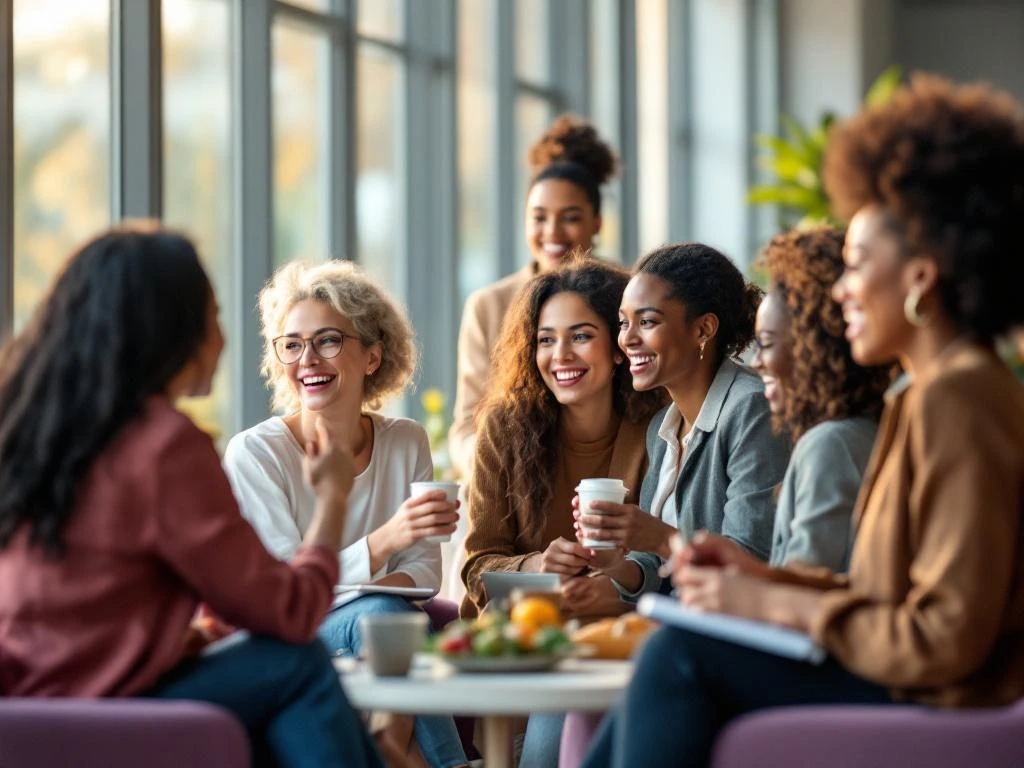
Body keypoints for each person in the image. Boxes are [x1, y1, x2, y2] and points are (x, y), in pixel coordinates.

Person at [581, 74, 1024, 768]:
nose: (842, 290)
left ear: (919, 280)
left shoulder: (960, 398)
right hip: (905, 676)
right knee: (671, 655)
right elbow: (880, 594)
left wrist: (778, 607)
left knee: (676, 655)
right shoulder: (925, 393)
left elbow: (943, 639)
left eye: (857, 265)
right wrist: (762, 583)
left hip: (946, 697)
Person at [0, 224, 382, 767]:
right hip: (108, 713)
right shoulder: (164, 444)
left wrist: (176, 642)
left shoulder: (31, 427)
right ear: (170, 330)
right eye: (214, 317)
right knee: (298, 659)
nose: (223, 340)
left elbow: (71, 602)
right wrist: (332, 499)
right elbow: (291, 612)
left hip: (27, 712)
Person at [223, 260, 465, 768]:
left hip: (389, 626)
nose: (307, 358)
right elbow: (290, 590)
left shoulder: (406, 440)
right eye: (291, 344)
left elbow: (424, 576)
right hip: (293, 638)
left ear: (372, 355)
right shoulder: (256, 453)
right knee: (386, 618)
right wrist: (385, 543)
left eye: (328, 340)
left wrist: (358, 580)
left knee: (391, 620)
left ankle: (396, 748)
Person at [578, 243, 791, 600]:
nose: (628, 339)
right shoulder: (662, 427)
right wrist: (612, 560)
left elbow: (752, 559)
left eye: (647, 322)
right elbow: (655, 570)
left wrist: (661, 536)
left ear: (704, 329)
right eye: (623, 323)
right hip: (677, 622)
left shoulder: (751, 410)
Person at [460, 260, 666, 620]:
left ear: (618, 347)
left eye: (582, 336)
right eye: (546, 340)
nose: (561, 355)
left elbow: (664, 566)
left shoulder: (658, 427)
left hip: (618, 628)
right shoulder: (503, 428)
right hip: (523, 632)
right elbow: (477, 568)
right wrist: (536, 566)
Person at [449, 115, 618, 481]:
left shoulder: (626, 294)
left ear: (597, 222)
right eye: (539, 218)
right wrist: (495, 471)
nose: (553, 232)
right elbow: (465, 424)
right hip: (511, 489)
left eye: (570, 217)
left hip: (608, 481)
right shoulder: (489, 305)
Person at [739, 226, 891, 571]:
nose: (756, 361)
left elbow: (803, 588)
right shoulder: (859, 430)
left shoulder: (830, 443)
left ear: (813, 350)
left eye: (766, 343)